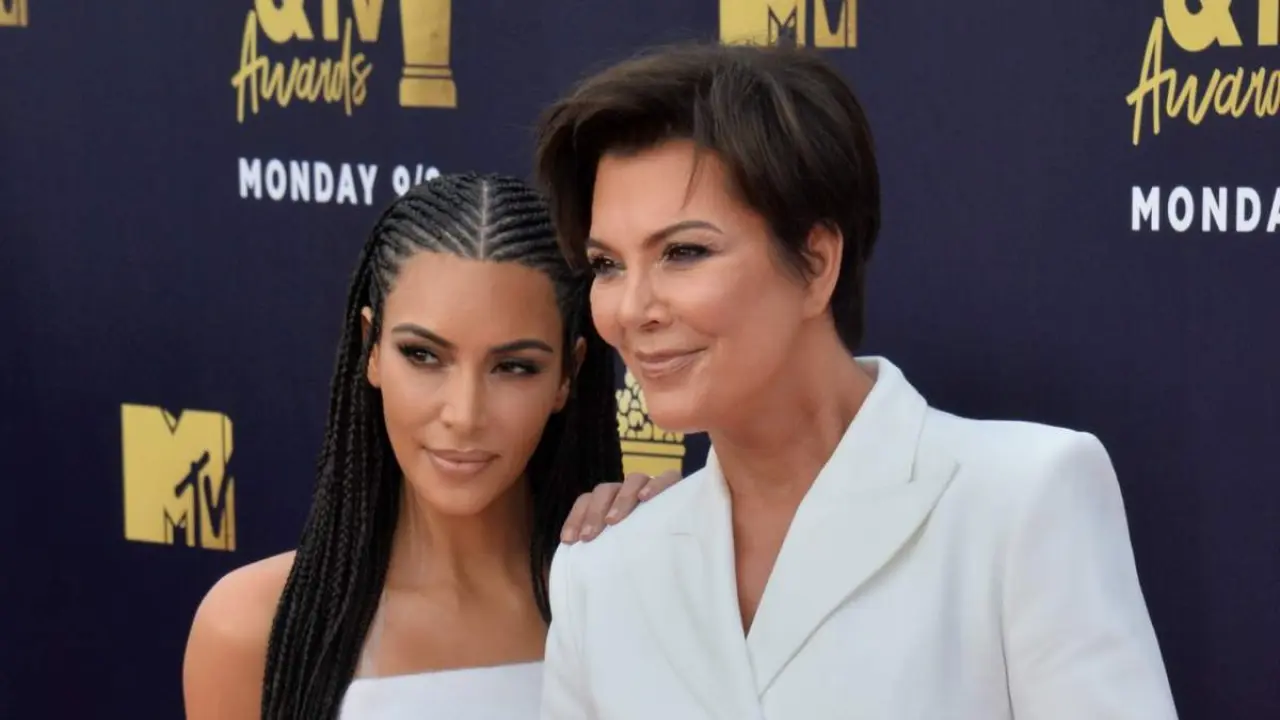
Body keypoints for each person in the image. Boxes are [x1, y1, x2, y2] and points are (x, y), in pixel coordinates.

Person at [533, 42, 1180, 719]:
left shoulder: (1019, 501)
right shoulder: (602, 573)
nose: (632, 309)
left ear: (816, 264)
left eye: (683, 252)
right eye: (607, 265)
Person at [181, 173, 682, 720]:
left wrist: (686, 548)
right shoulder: (251, 628)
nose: (464, 415)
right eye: (423, 356)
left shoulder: (633, 600)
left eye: (514, 367)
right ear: (371, 348)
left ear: (568, 373)